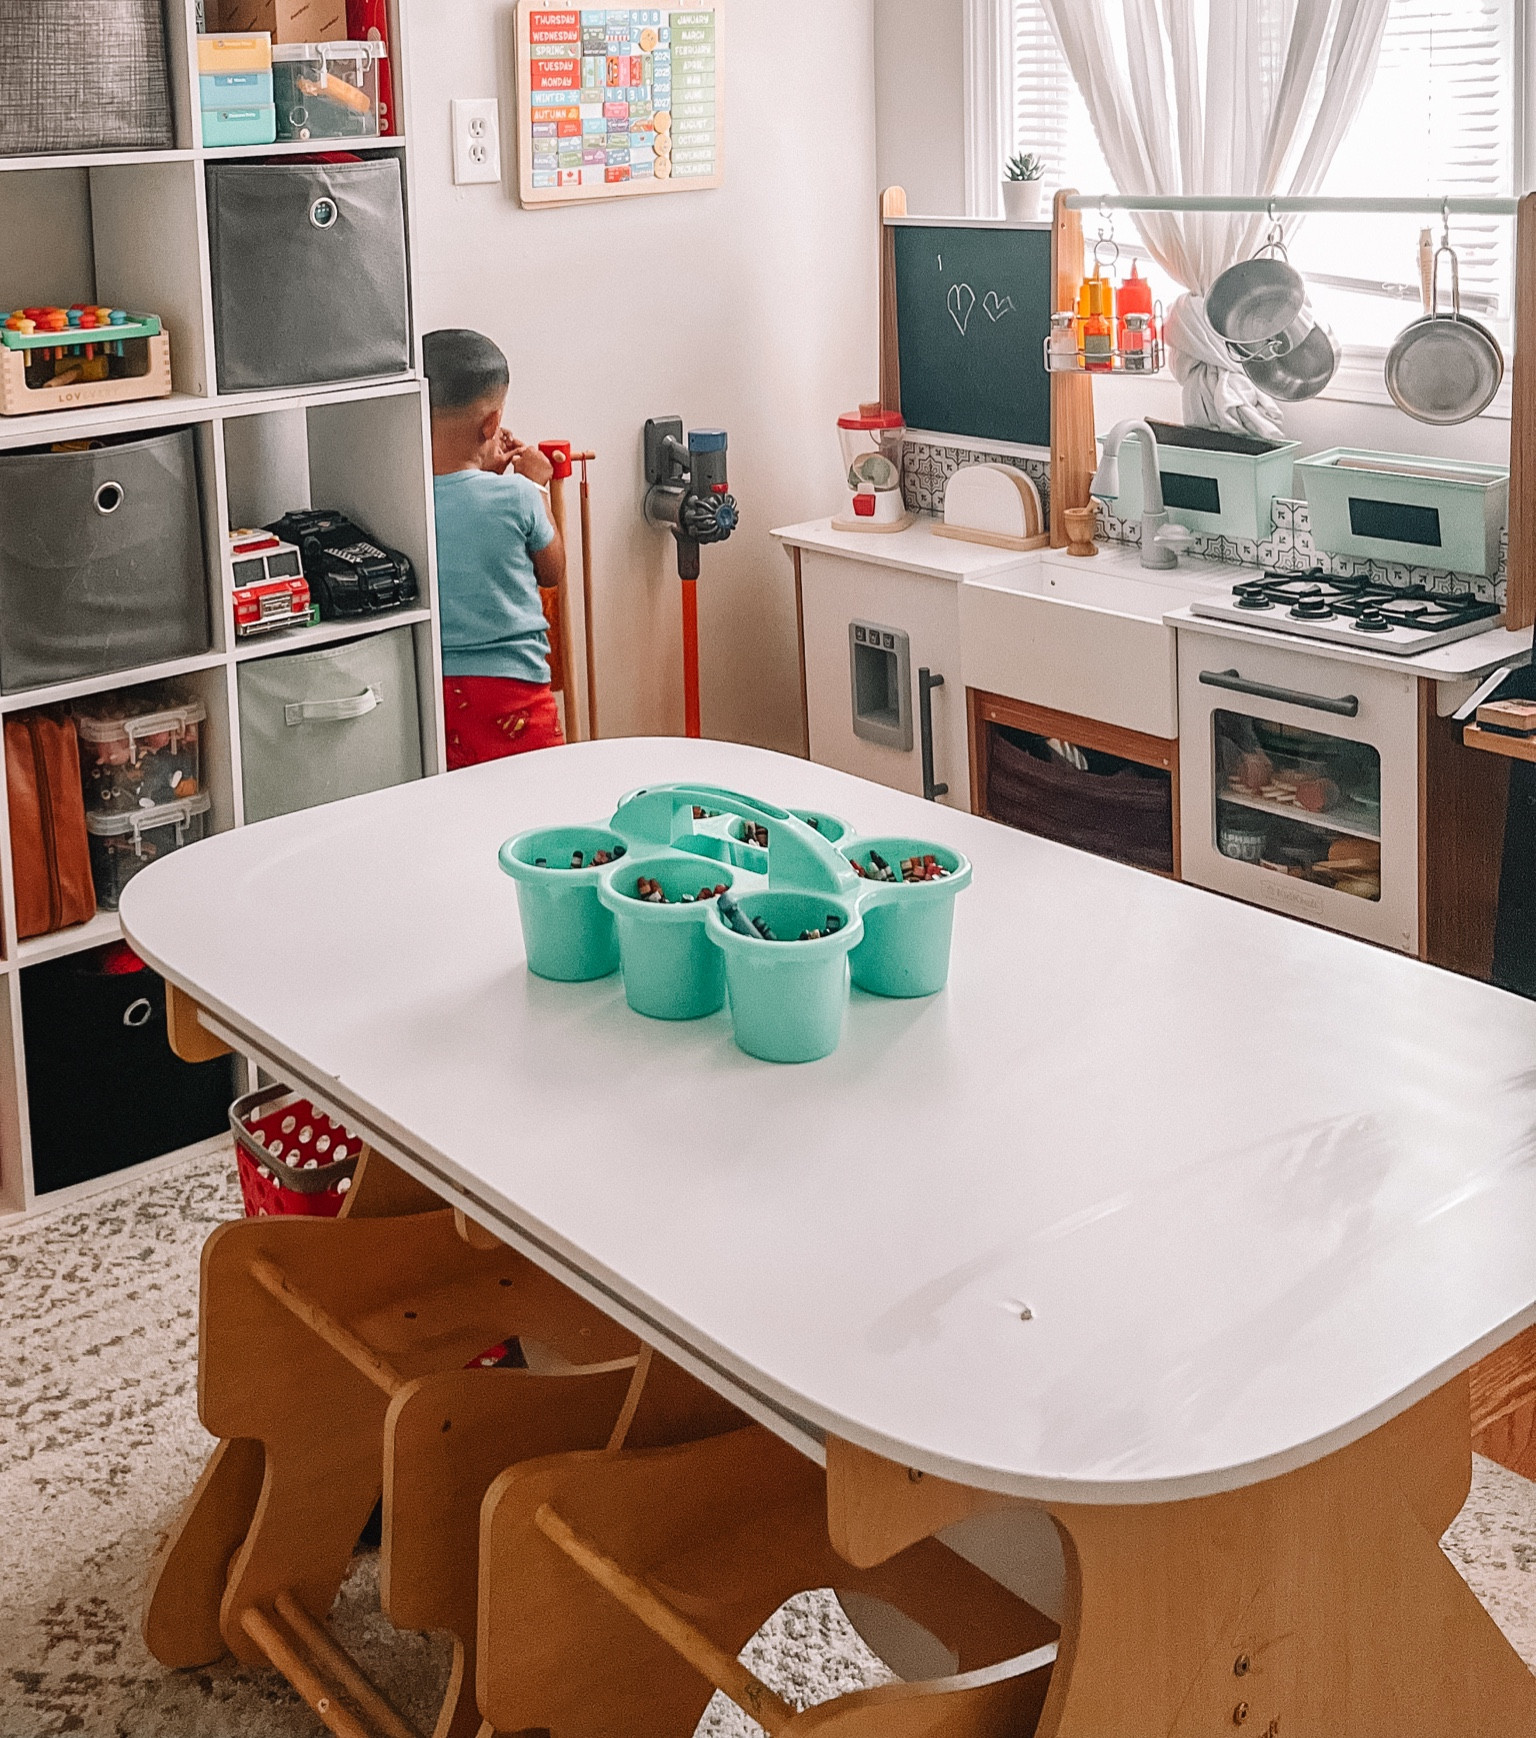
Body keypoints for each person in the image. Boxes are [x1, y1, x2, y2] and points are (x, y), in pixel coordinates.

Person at [424, 327, 566, 769]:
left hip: (438, 697)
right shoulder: (518, 496)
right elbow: (552, 571)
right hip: (515, 693)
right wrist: (535, 485)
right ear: (491, 424)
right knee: (540, 804)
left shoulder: (406, 502)